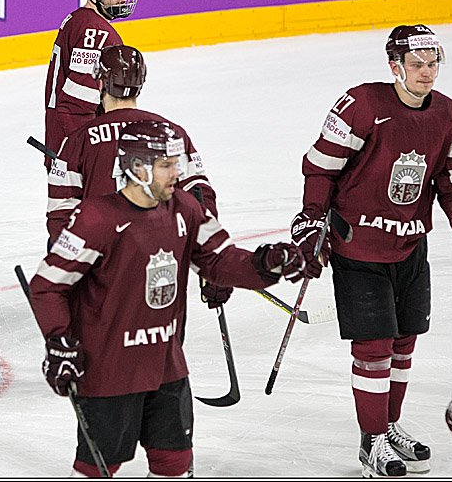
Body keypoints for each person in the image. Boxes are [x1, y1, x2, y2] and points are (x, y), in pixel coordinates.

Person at [28, 120, 311, 477]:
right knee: (97, 468)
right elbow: (47, 285)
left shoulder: (185, 208)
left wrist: (266, 263)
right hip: (109, 370)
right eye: (166, 165)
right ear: (137, 168)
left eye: (176, 163)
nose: (177, 173)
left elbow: (219, 259)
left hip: (166, 365)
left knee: (174, 464)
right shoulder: (95, 218)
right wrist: (60, 341)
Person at [292, 24, 452, 477]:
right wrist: (311, 217)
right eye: (417, 64)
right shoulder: (363, 105)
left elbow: (451, 185)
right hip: (358, 246)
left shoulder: (449, 114)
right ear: (395, 67)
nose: (427, 72)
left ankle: (389, 426)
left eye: (433, 63)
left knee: (404, 342)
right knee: (375, 346)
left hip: (410, 245)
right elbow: (321, 167)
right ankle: (372, 441)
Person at [47, 44, 231, 311]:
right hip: (161, 270)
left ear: (100, 83)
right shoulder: (171, 133)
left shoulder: (77, 142)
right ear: (140, 83)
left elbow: (61, 214)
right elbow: (199, 193)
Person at [44, 0, 138, 170]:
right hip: (77, 156)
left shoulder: (80, 20)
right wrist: (88, 154)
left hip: (66, 148)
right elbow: (76, 104)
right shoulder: (95, 31)